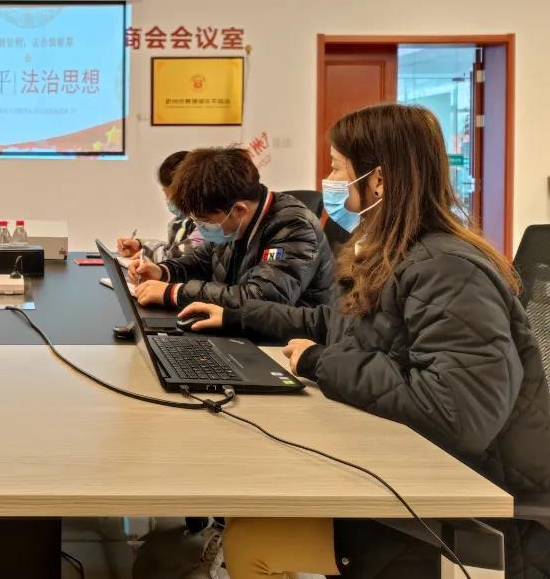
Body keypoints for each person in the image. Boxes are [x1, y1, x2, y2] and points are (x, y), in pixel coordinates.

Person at [182, 104, 550, 579]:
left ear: (377, 181)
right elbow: (337, 324)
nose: (329, 180)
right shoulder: (398, 252)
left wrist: (319, 363)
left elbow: (457, 413)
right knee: (258, 496)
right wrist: (236, 315)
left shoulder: (447, 269)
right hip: (417, 469)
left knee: (251, 540)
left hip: (473, 512)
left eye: (337, 167)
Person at [130, 147, 334, 314]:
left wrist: (176, 293)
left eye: (204, 220)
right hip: (237, 327)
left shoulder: (294, 227)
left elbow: (263, 299)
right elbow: (201, 261)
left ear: (238, 210)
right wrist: (163, 272)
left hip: (285, 341)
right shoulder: (233, 224)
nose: (200, 226)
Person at [116, 150, 203, 263]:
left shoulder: (206, 228)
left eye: (169, 194)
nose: (168, 199)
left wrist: (146, 254)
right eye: (165, 193)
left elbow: (175, 257)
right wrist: (140, 245)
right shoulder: (180, 222)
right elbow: (172, 249)